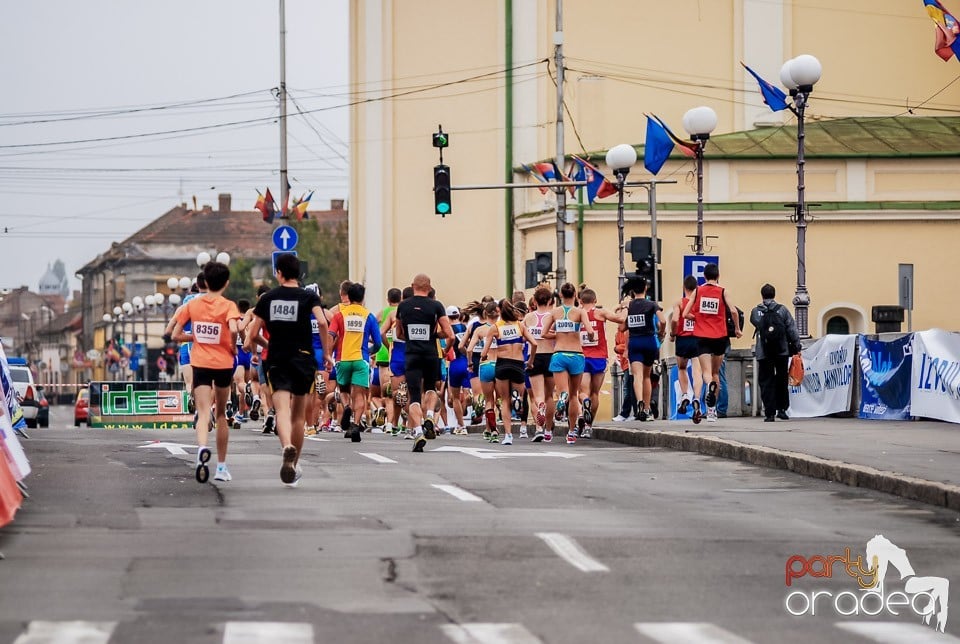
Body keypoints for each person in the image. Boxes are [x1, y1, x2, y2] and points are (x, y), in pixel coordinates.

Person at [245, 253, 332, 486]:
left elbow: (252, 334)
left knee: (281, 409)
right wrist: (326, 353)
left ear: (278, 273)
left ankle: (287, 447)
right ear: (299, 274)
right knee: (298, 415)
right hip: (303, 358)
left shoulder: (267, 299)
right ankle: (294, 463)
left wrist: (262, 347)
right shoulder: (308, 296)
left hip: (277, 359)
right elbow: (323, 322)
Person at [170, 261, 241, 484]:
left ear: (205, 282)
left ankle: (202, 448)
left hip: (199, 362)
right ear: (226, 283)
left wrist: (196, 337)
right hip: (223, 363)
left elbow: (174, 335)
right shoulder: (229, 306)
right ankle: (221, 466)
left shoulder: (193, 306)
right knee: (220, 415)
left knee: (202, 412)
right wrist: (232, 345)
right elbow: (234, 329)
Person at [395, 273, 454, 452]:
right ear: (429, 288)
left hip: (412, 354)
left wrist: (411, 338)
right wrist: (442, 346)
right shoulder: (436, 306)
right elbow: (450, 334)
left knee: (414, 396)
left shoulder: (403, 306)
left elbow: (398, 333)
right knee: (430, 389)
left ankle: (419, 431)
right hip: (431, 354)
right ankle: (429, 415)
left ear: (413, 286)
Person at [682, 263, 742, 423]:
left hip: (702, 338)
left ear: (704, 277)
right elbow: (734, 311)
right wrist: (737, 329)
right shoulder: (723, 292)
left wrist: (698, 318)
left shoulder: (698, 291)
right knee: (717, 374)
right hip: (720, 337)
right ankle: (711, 412)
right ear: (718, 276)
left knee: (706, 373)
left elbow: (685, 313)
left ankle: (709, 387)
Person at [328, 282, 382, 441]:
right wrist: (369, 353)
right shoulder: (369, 316)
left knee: (344, 390)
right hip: (361, 360)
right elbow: (378, 343)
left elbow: (331, 335)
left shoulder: (339, 316)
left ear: (348, 297)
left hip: (342, 359)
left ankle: (346, 407)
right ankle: (356, 425)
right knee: (359, 395)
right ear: (363, 297)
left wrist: (329, 354)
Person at [481, 299, 538, 446]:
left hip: (502, 364)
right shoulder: (520, 325)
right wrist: (530, 361)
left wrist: (484, 357)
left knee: (504, 401)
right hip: (518, 363)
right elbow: (534, 343)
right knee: (519, 394)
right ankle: (517, 398)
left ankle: (508, 435)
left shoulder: (495, 327)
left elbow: (484, 352)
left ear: (500, 312)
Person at [542, 282, 593, 444]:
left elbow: (543, 333)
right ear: (576, 296)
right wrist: (590, 337)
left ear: (561, 296)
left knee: (561, 391)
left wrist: (557, 335)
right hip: (576, 354)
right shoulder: (580, 312)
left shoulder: (555, 312)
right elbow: (590, 331)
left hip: (559, 354)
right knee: (574, 395)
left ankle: (549, 428)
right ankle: (571, 432)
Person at [749, 283, 800, 422]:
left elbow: (757, 324)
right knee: (782, 379)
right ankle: (782, 409)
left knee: (766, 381)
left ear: (762, 295)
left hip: (764, 352)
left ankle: (769, 413)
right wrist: (796, 344)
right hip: (781, 351)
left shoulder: (755, 312)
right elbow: (791, 328)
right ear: (774, 294)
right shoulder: (782, 310)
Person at [578, 288, 624, 438]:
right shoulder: (601, 312)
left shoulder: (577, 314)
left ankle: (585, 402)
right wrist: (625, 308)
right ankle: (588, 426)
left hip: (582, 356)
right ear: (595, 301)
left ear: (580, 301)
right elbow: (620, 320)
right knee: (595, 393)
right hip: (599, 357)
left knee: (583, 392)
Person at [620, 277, 664, 421]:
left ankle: (639, 403)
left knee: (637, 376)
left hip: (635, 342)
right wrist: (661, 332)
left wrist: (625, 309)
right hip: (649, 341)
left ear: (632, 290)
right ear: (645, 288)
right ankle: (646, 408)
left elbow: (622, 327)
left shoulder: (630, 306)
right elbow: (662, 320)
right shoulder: (651, 304)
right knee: (647, 376)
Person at [523, 286, 556, 442]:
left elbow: (522, 337)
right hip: (551, 356)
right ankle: (548, 429)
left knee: (538, 396)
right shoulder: (553, 316)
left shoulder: (528, 318)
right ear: (550, 301)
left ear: (534, 301)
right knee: (550, 395)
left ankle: (538, 429)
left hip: (534, 357)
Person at [668, 276, 704, 419]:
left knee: (682, 368)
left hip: (682, 339)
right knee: (697, 371)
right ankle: (696, 397)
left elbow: (676, 319)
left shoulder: (679, 302)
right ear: (696, 287)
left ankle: (684, 395)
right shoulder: (699, 302)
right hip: (697, 338)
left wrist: (672, 334)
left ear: (684, 287)